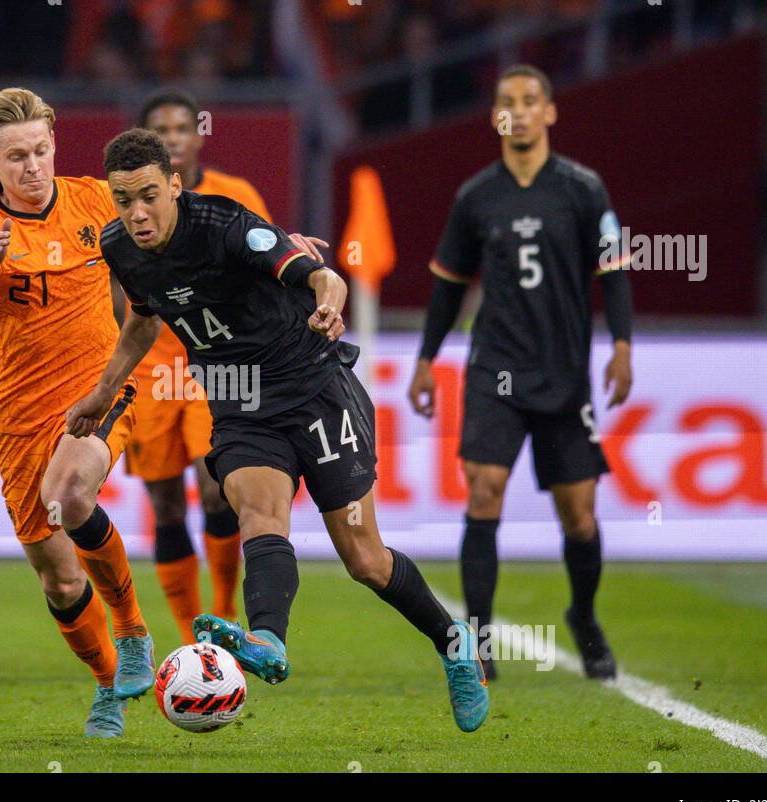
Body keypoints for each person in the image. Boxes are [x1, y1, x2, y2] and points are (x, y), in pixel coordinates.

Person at [67, 128, 489, 732]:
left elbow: (320, 274)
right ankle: (267, 639)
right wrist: (104, 391)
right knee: (258, 513)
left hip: (313, 387)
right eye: (124, 199)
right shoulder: (120, 247)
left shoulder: (225, 224)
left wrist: (328, 301)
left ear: (176, 186)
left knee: (365, 559)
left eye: (149, 196)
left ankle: (455, 646)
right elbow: (143, 317)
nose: (137, 213)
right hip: (239, 401)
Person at [407, 64, 635, 680]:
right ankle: (477, 641)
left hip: (563, 374)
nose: (520, 110)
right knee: (483, 488)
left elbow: (613, 271)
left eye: (532, 99)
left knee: (579, 515)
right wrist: (426, 360)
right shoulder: (476, 196)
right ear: (496, 117)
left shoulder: (584, 190)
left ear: (550, 112)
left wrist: (622, 345)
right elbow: (448, 285)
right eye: (508, 101)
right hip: (495, 370)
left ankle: (583, 617)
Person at [0, 87, 154, 738]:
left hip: (99, 386)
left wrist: (267, 251)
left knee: (69, 492)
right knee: (61, 581)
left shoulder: (97, 200)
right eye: (16, 156)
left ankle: (132, 630)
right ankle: (106, 685)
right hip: (16, 411)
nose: (33, 166)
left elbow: (174, 219)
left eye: (42, 150)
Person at [128, 87, 280, 646]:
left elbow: (265, 265)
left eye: (180, 129)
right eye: (159, 131)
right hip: (152, 369)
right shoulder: (125, 207)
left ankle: (223, 615)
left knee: (217, 490)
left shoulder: (234, 195)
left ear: (199, 135)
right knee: (165, 503)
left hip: (218, 364)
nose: (172, 139)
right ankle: (190, 635)